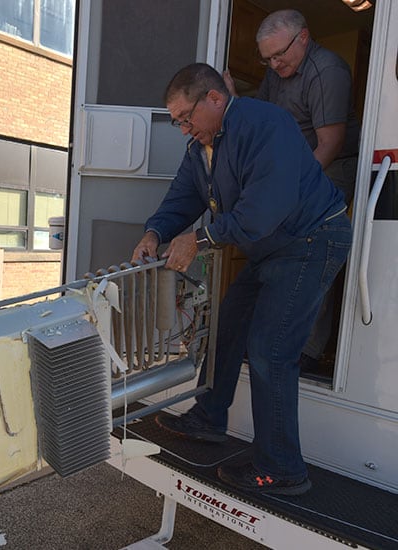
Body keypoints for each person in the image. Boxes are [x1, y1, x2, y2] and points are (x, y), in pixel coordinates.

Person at [132, 63, 352, 495]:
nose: (182, 129)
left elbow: (263, 210)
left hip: (310, 239)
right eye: (176, 121)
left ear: (215, 99)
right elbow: (184, 195)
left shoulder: (266, 125)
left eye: (185, 118)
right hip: (271, 246)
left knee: (271, 349)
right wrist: (154, 231)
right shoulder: (201, 145)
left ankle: (282, 469)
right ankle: (209, 418)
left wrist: (200, 237)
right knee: (227, 327)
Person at [225, 8, 361, 372]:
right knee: (273, 248)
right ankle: (265, 338)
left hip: (327, 167)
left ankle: (308, 349)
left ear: (302, 37)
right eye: (266, 58)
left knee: (310, 249)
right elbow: (267, 119)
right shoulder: (276, 71)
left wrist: (290, 190)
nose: (273, 64)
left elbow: (329, 143)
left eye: (279, 54)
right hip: (295, 166)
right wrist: (233, 103)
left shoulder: (327, 70)